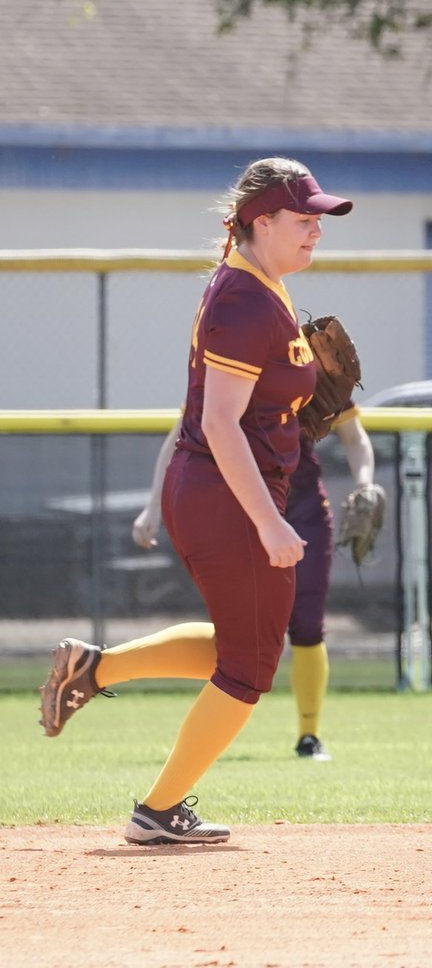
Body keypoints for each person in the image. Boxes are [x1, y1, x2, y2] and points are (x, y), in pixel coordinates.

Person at [38, 157, 353, 844]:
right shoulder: (244, 300)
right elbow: (218, 423)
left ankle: (96, 669)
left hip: (223, 489)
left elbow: (249, 411)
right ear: (261, 222)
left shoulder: (262, 287)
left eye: (319, 220)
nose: (316, 230)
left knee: (246, 647)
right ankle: (158, 810)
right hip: (224, 496)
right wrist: (269, 523)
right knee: (250, 664)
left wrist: (295, 408)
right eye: (304, 219)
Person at [132, 403, 381, 762]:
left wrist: (365, 484)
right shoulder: (234, 373)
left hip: (302, 510)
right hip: (238, 511)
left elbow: (354, 437)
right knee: (236, 631)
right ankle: (208, 731)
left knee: (308, 624)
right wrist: (154, 505)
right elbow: (180, 436)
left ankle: (309, 735)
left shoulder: (315, 375)